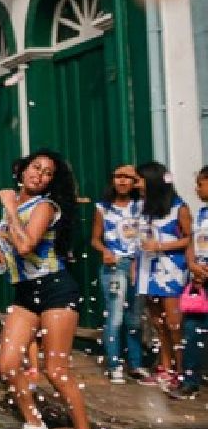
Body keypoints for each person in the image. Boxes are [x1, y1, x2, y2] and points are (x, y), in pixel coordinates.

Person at [0, 149, 99, 429]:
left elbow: (25, 245)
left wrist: (8, 206)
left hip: (55, 289)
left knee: (56, 370)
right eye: (36, 168)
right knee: (7, 365)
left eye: (48, 173)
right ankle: (35, 424)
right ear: (22, 170)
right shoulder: (19, 205)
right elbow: (5, 236)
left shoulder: (46, 206)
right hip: (25, 293)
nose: (40, 175)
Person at [136, 161, 191, 390]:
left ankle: (181, 370)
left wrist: (161, 246)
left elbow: (189, 238)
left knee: (173, 323)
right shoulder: (144, 207)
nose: (136, 184)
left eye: (139, 180)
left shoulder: (179, 208)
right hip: (148, 268)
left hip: (171, 270)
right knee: (157, 322)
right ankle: (164, 367)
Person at [91, 164, 146, 383]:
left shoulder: (141, 206)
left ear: (135, 181)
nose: (122, 181)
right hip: (115, 266)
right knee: (115, 316)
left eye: (128, 177)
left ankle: (136, 364)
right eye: (118, 176)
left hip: (138, 265)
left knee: (134, 318)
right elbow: (95, 239)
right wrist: (105, 250)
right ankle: (115, 365)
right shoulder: (103, 208)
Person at [177, 166, 208, 400]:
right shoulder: (200, 214)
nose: (197, 189)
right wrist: (192, 265)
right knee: (192, 330)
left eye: (201, 184)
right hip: (199, 281)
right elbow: (191, 243)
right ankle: (190, 380)